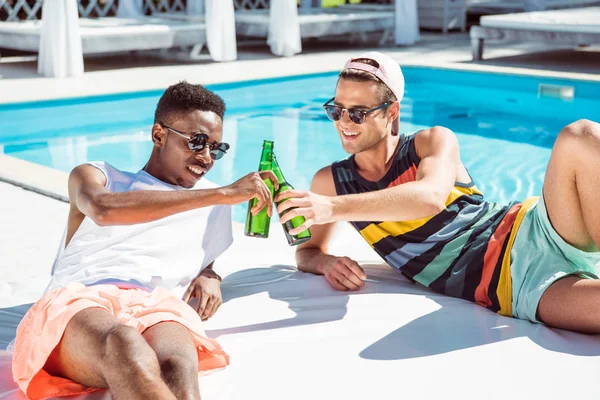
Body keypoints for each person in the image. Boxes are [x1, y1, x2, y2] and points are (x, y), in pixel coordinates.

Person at [276, 51, 600, 334]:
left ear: (391, 112)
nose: (344, 122)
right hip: (512, 286)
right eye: (337, 109)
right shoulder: (333, 182)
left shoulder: (431, 141)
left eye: (358, 112)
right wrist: (325, 263)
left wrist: (332, 208)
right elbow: (308, 250)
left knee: (579, 135)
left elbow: (429, 197)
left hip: (532, 227)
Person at [12, 81, 278, 400]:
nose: (207, 158)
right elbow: (102, 209)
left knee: (178, 364)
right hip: (81, 299)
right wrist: (221, 195)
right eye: (197, 142)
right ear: (158, 134)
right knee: (123, 343)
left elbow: (193, 250)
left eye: (217, 148)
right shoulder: (100, 176)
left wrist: (210, 273)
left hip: (154, 305)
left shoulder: (213, 206)